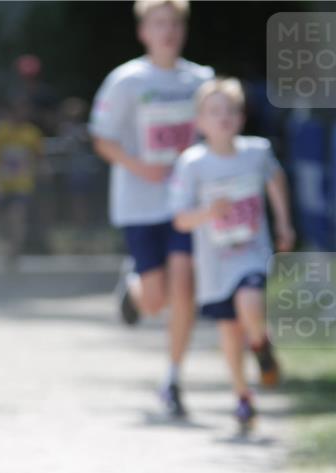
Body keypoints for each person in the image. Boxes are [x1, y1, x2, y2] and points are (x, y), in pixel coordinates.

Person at [89, 0, 213, 417]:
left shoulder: (201, 80)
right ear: (144, 31)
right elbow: (102, 139)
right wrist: (141, 166)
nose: (168, 32)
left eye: (174, 24)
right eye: (159, 24)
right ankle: (135, 287)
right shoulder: (126, 81)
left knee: (185, 288)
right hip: (139, 203)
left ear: (184, 30)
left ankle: (173, 379)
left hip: (186, 203)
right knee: (157, 300)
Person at [169, 78, 293, 430]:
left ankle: (261, 343)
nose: (223, 118)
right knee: (229, 328)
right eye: (214, 111)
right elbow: (180, 219)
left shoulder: (257, 152)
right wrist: (210, 212)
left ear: (241, 118)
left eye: (230, 111)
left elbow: (276, 180)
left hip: (252, 251)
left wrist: (284, 224)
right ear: (200, 121)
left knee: (250, 301)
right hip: (214, 262)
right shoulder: (192, 164)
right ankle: (242, 395)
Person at [0, 96, 42, 262]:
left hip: (22, 184)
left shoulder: (32, 133)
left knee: (17, 215)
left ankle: (15, 251)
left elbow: (38, 157)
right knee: (1, 220)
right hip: (2, 184)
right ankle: (5, 246)